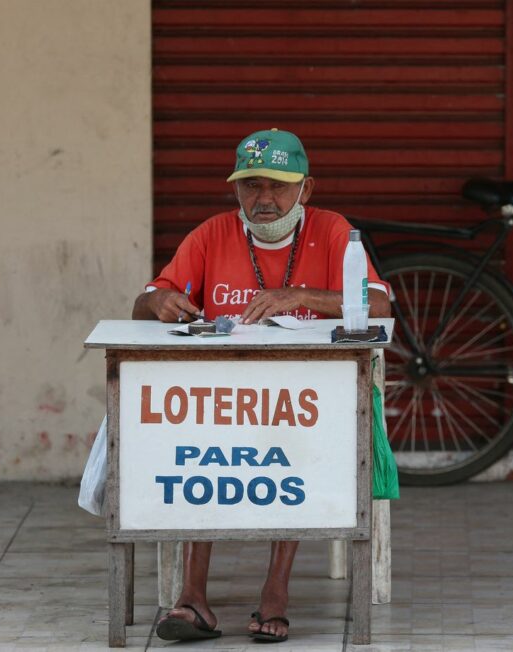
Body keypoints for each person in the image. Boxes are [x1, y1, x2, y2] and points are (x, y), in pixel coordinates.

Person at [133, 128, 390, 643]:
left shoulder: (334, 231)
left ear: (306, 189)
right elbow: (145, 301)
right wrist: (159, 303)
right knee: (195, 447)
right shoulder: (211, 234)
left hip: (306, 404)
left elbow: (378, 305)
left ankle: (276, 589)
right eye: (251, 186)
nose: (264, 200)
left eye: (277, 186)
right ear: (235, 190)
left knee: (292, 445)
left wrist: (299, 295)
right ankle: (193, 598)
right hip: (222, 402)